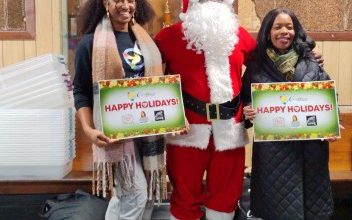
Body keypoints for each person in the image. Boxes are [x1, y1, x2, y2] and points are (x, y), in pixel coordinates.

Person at [155, 0, 256, 219]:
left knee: (225, 198)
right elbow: (148, 76)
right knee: (184, 197)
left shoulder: (239, 35)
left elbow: (262, 67)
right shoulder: (168, 37)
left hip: (229, 129)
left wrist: (306, 57)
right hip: (187, 131)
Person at [242, 8, 337, 220]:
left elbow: (328, 96)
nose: (284, 31)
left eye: (289, 26)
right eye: (278, 27)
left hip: (310, 150)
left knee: (312, 210)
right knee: (278, 212)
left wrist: (331, 123)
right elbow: (245, 100)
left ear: (296, 31)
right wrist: (248, 111)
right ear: (268, 32)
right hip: (274, 153)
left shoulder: (311, 61)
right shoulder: (256, 67)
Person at [73, 0, 165, 219]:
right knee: (135, 196)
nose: (125, 5)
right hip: (115, 137)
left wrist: (175, 117)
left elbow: (158, 89)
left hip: (148, 132)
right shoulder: (90, 44)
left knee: (145, 198)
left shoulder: (146, 41)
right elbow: (81, 91)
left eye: (130, 0)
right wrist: (88, 129)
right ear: (105, 3)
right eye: (118, 0)